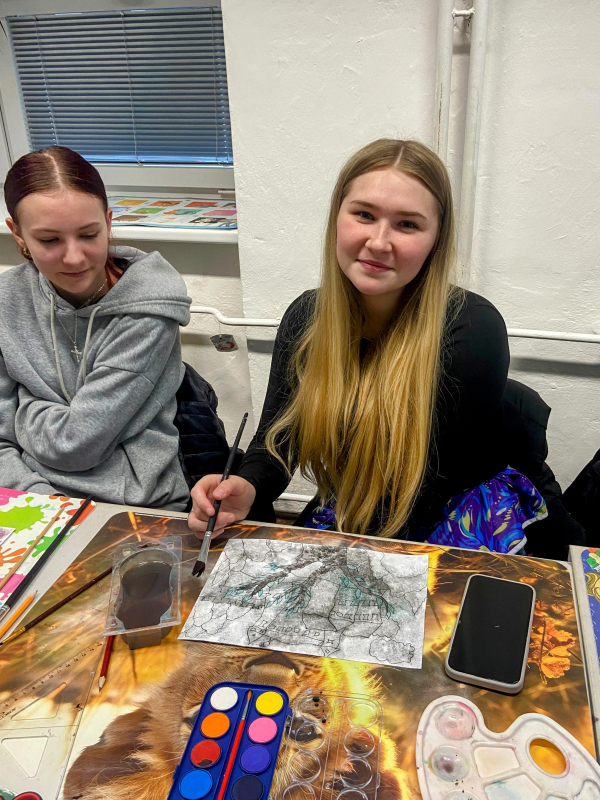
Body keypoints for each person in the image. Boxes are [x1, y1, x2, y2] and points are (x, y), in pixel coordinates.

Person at [188, 139, 547, 548]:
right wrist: (248, 486)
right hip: (359, 505)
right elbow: (279, 440)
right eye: (364, 215)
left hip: (452, 513)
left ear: (436, 240)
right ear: (337, 217)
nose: (378, 242)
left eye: (407, 224)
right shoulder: (307, 317)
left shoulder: (474, 329)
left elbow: (422, 492)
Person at [0, 146, 191, 509]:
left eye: (89, 235)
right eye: (49, 240)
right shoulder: (6, 300)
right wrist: (39, 499)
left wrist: (24, 406)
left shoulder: (147, 307)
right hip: (27, 497)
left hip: (132, 505)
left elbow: (78, 444)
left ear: (108, 221)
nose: (74, 257)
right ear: (18, 234)